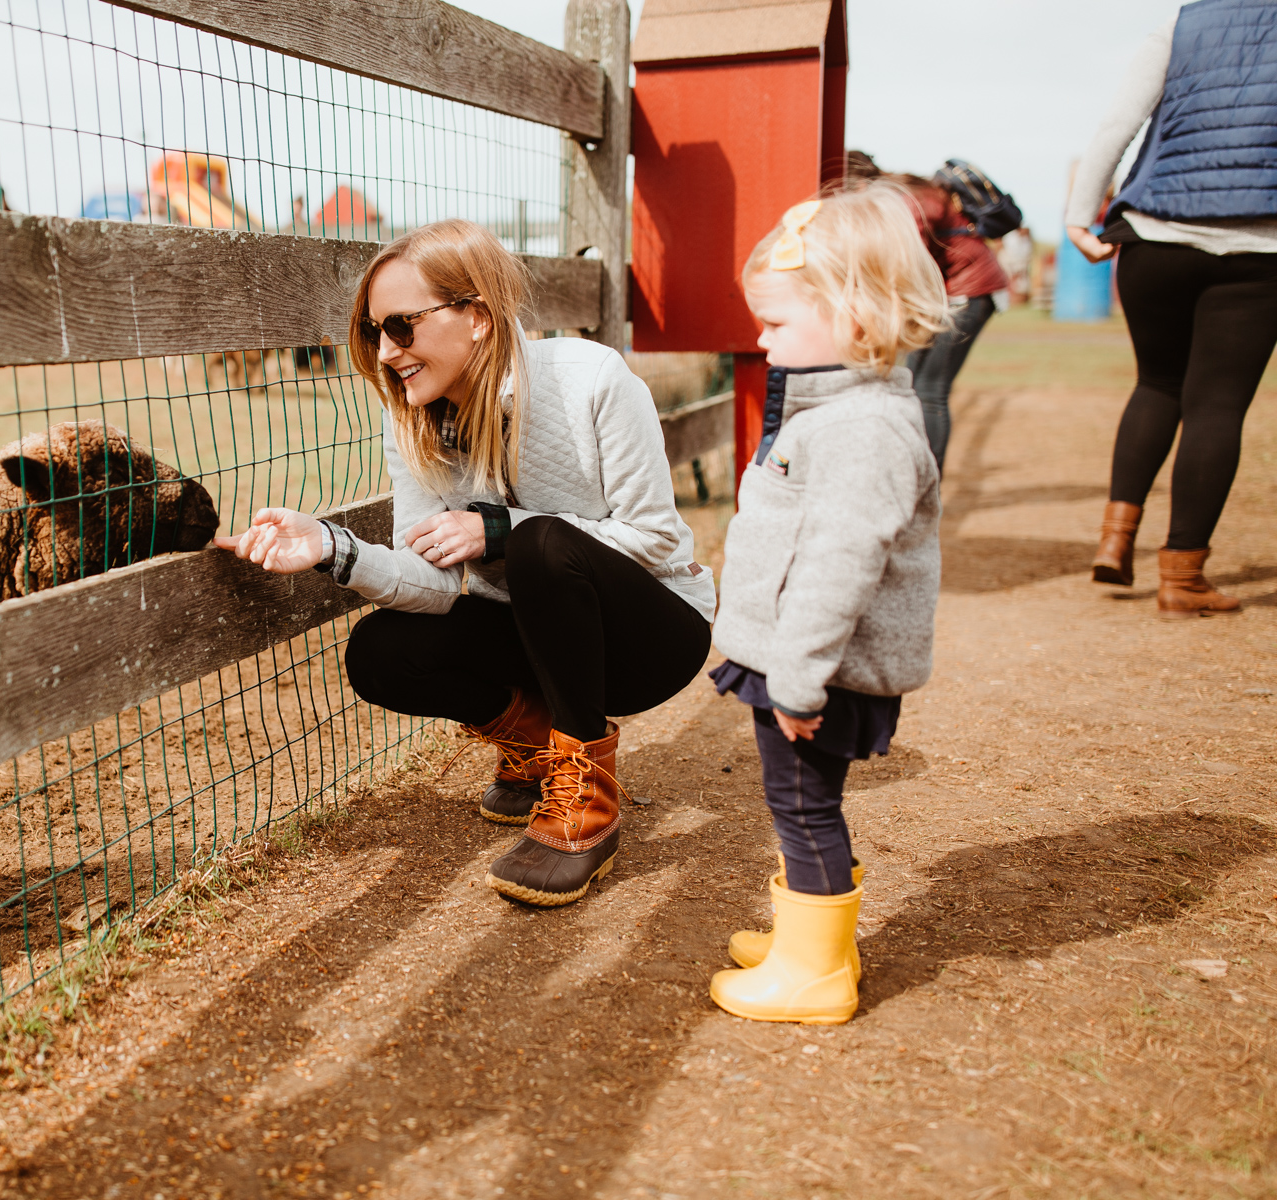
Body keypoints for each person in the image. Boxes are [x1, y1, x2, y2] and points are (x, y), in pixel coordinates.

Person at [214, 219, 716, 906]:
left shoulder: (592, 379)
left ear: (476, 317)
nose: (386, 351)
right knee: (380, 652)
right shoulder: (412, 419)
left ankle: (586, 809)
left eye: (402, 326)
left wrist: (501, 530)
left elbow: (656, 540)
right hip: (539, 636)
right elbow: (436, 581)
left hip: (649, 638)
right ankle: (541, 749)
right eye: (371, 332)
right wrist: (332, 546)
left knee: (538, 544)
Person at [706, 183, 948, 1024]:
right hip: (803, 658)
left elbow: (840, 564)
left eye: (775, 322)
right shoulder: (840, 410)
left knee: (804, 806)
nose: (762, 338)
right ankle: (813, 941)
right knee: (800, 803)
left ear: (852, 315)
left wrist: (800, 681)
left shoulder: (862, 431)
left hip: (818, 669)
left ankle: (814, 976)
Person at [1069, 0, 1277, 618]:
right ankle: (1182, 578)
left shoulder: (1185, 23)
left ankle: (1116, 538)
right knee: (1216, 404)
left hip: (1155, 233)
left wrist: (1082, 214)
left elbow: (1119, 123)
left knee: (1156, 383)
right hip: (1258, 245)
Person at [845, 151, 1008, 472]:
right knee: (913, 383)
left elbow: (909, 258)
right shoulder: (904, 190)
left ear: (858, 184)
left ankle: (927, 479)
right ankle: (913, 470)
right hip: (953, 292)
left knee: (931, 390)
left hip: (968, 291)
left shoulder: (899, 200)